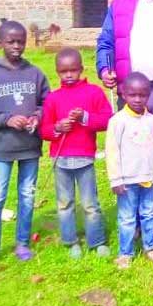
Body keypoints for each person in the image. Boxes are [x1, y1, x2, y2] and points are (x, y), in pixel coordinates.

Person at [0, 20, 50, 273]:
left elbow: (47, 104)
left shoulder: (35, 73)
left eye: (21, 42)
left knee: (27, 195)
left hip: (29, 146)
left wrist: (37, 117)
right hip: (1, 147)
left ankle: (22, 243)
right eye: (11, 42)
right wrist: (6, 119)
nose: (16, 46)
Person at [40, 48, 112, 259]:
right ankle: (71, 241)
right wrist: (57, 127)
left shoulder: (93, 92)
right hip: (61, 160)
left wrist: (85, 117)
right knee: (65, 203)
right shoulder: (53, 98)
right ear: (57, 72)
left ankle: (97, 241)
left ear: (81, 69)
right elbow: (44, 130)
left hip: (84, 159)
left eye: (73, 70)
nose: (69, 75)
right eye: (64, 71)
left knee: (90, 203)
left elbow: (107, 119)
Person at [106, 72, 153, 269]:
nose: (137, 99)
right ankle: (125, 253)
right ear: (123, 94)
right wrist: (115, 179)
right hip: (127, 180)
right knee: (127, 217)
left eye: (142, 95)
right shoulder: (118, 121)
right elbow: (112, 151)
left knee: (150, 213)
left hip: (150, 178)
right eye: (132, 95)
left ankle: (151, 247)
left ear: (148, 95)